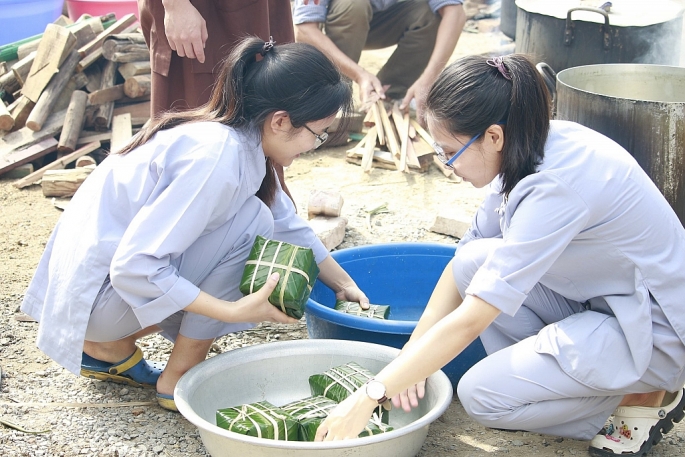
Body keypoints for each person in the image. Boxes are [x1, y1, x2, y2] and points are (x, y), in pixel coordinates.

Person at [314, 54, 685, 457]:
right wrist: (410, 358)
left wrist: (371, 393)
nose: (446, 164)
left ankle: (643, 396)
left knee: (482, 396)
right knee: (475, 260)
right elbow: (462, 263)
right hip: (605, 305)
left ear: (493, 136)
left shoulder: (555, 187)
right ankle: (581, 376)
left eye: (450, 151)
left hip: (651, 332)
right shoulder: (525, 145)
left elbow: (474, 318)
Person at [20, 37, 369, 412]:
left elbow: (289, 224)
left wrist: (343, 283)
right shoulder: (216, 157)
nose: (314, 146)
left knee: (261, 218)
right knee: (253, 223)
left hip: (93, 300)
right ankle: (180, 377)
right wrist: (234, 311)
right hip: (96, 300)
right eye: (317, 134)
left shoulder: (241, 140)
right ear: (281, 120)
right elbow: (135, 267)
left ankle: (107, 346)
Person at [137, 0, 297, 203]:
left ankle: (267, 209)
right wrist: (175, 5)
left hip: (258, 8)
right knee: (200, 138)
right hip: (205, 12)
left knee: (268, 100)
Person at [292, 0, 466, 118]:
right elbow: (305, 30)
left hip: (387, 22)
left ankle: (385, 97)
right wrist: (359, 75)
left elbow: (454, 13)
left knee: (430, 14)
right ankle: (334, 97)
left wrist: (428, 79)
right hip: (345, 18)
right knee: (353, 5)